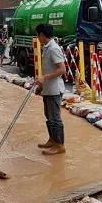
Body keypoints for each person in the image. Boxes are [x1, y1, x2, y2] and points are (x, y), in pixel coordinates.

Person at [34, 23, 67, 155]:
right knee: (49, 116)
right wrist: (40, 87)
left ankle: (59, 145)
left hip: (54, 90)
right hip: (48, 89)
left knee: (55, 118)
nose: (37, 38)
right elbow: (47, 69)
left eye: (38, 35)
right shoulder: (47, 47)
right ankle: (52, 140)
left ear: (42, 35)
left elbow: (62, 69)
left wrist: (45, 77)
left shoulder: (53, 48)